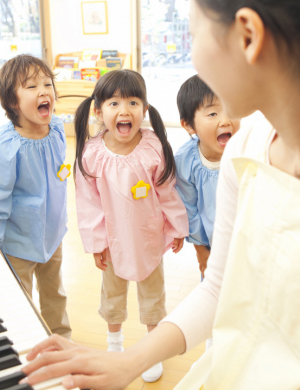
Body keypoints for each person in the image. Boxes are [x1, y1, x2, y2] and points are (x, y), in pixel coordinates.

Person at [21, 0, 300, 389]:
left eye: (194, 32)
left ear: (248, 35)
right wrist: (127, 361)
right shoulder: (247, 145)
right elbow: (219, 287)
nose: (194, 57)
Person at [72, 69, 189, 382]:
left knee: (153, 297)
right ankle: (115, 343)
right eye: (114, 103)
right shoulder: (92, 154)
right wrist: (97, 243)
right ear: (98, 110)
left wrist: (177, 226)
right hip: (113, 241)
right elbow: (89, 203)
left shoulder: (153, 148)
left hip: (148, 239)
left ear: (145, 110)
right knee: (112, 295)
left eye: (133, 102)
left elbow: (167, 190)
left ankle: (151, 350)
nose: (124, 111)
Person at [0, 54, 71, 338]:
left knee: (55, 291)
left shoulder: (57, 128)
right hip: (18, 242)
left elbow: (59, 176)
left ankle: (60, 336)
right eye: (31, 87)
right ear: (12, 101)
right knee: (21, 298)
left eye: (47, 83)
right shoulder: (6, 145)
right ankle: (30, 341)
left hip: (52, 235)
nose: (44, 91)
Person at [174, 74, 240, 279]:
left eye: (231, 109)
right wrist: (201, 251)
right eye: (212, 114)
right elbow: (190, 210)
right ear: (189, 125)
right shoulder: (185, 161)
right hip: (214, 248)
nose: (225, 120)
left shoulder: (247, 150)